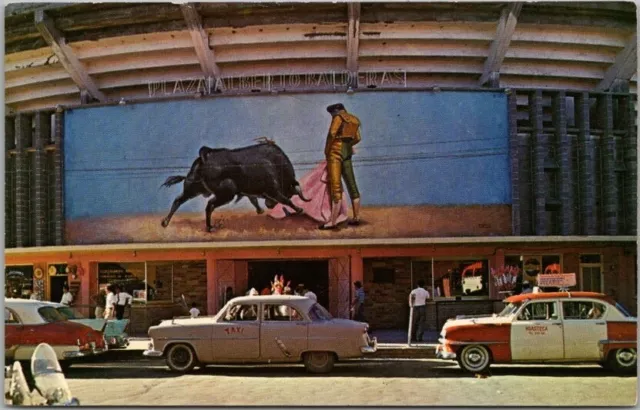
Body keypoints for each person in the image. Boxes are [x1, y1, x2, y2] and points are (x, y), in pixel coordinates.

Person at [319, 103, 362, 230]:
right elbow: (358, 138)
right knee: (352, 184)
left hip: (335, 152)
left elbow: (332, 134)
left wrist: (327, 150)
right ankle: (356, 217)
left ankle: (332, 222)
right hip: (347, 152)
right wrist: (348, 144)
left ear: (335, 111)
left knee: (335, 186)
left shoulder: (338, 118)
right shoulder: (354, 119)